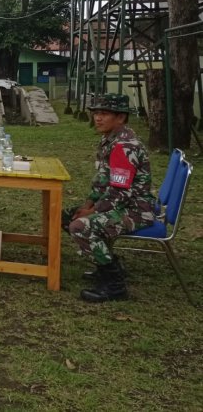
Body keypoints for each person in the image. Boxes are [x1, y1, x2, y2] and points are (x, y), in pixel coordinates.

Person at [65, 93, 156, 302]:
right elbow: (102, 181)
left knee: (80, 226)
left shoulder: (125, 146)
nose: (98, 118)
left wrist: (92, 212)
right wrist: (86, 205)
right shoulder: (110, 139)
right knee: (68, 216)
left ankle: (115, 286)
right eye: (96, 113)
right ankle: (105, 264)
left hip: (135, 210)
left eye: (104, 114)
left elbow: (119, 193)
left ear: (121, 117)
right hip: (120, 204)